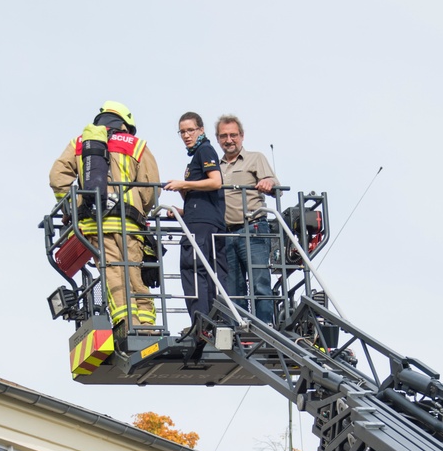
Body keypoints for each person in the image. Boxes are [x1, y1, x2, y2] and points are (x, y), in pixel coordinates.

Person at [49, 102, 160, 342]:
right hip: (130, 223)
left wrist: (77, 206)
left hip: (96, 223)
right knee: (134, 274)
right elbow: (150, 188)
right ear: (124, 124)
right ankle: (147, 326)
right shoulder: (137, 145)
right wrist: (140, 209)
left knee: (113, 272)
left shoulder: (79, 144)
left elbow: (57, 177)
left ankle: (125, 322)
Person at [164, 112, 226, 334]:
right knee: (206, 271)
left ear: (201, 129)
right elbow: (200, 195)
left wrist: (182, 182)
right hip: (199, 218)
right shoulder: (195, 158)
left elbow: (216, 182)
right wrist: (183, 208)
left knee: (194, 268)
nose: (186, 135)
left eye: (190, 130)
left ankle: (201, 323)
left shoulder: (205, 150)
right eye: (182, 131)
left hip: (203, 223)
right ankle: (208, 321)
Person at [216, 115, 277, 325]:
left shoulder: (255, 158)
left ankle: (264, 326)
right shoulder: (215, 167)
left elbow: (273, 183)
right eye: (224, 136)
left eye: (233, 135)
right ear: (218, 139)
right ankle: (242, 329)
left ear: (241, 136)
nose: (229, 139)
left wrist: (268, 181)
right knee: (234, 286)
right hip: (226, 232)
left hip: (254, 227)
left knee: (260, 280)